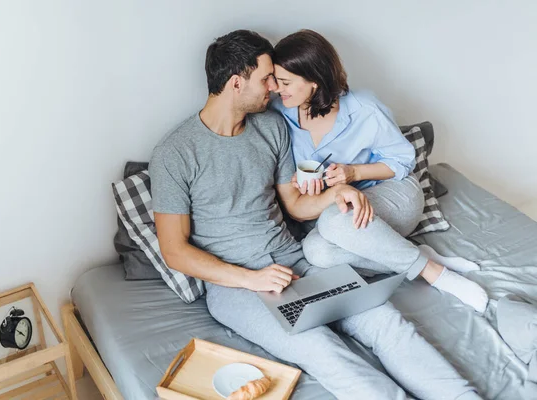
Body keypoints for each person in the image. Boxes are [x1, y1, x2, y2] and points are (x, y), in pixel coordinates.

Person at [150, 29, 481, 399]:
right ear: (236, 83)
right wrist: (250, 278)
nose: (274, 88)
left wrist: (337, 192)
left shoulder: (271, 127)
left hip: (295, 260)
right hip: (235, 287)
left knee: (385, 322)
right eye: (266, 79)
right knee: (322, 349)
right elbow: (174, 250)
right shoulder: (174, 153)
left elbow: (294, 204)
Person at [270, 29, 488, 314]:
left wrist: (352, 173)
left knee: (334, 222)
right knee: (316, 252)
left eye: (285, 82)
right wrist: (299, 181)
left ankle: (439, 276)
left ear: (313, 82)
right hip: (341, 208)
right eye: (276, 80)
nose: (276, 88)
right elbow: (292, 172)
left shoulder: (364, 108)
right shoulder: (280, 113)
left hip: (394, 193)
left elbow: (402, 161)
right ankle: (416, 257)